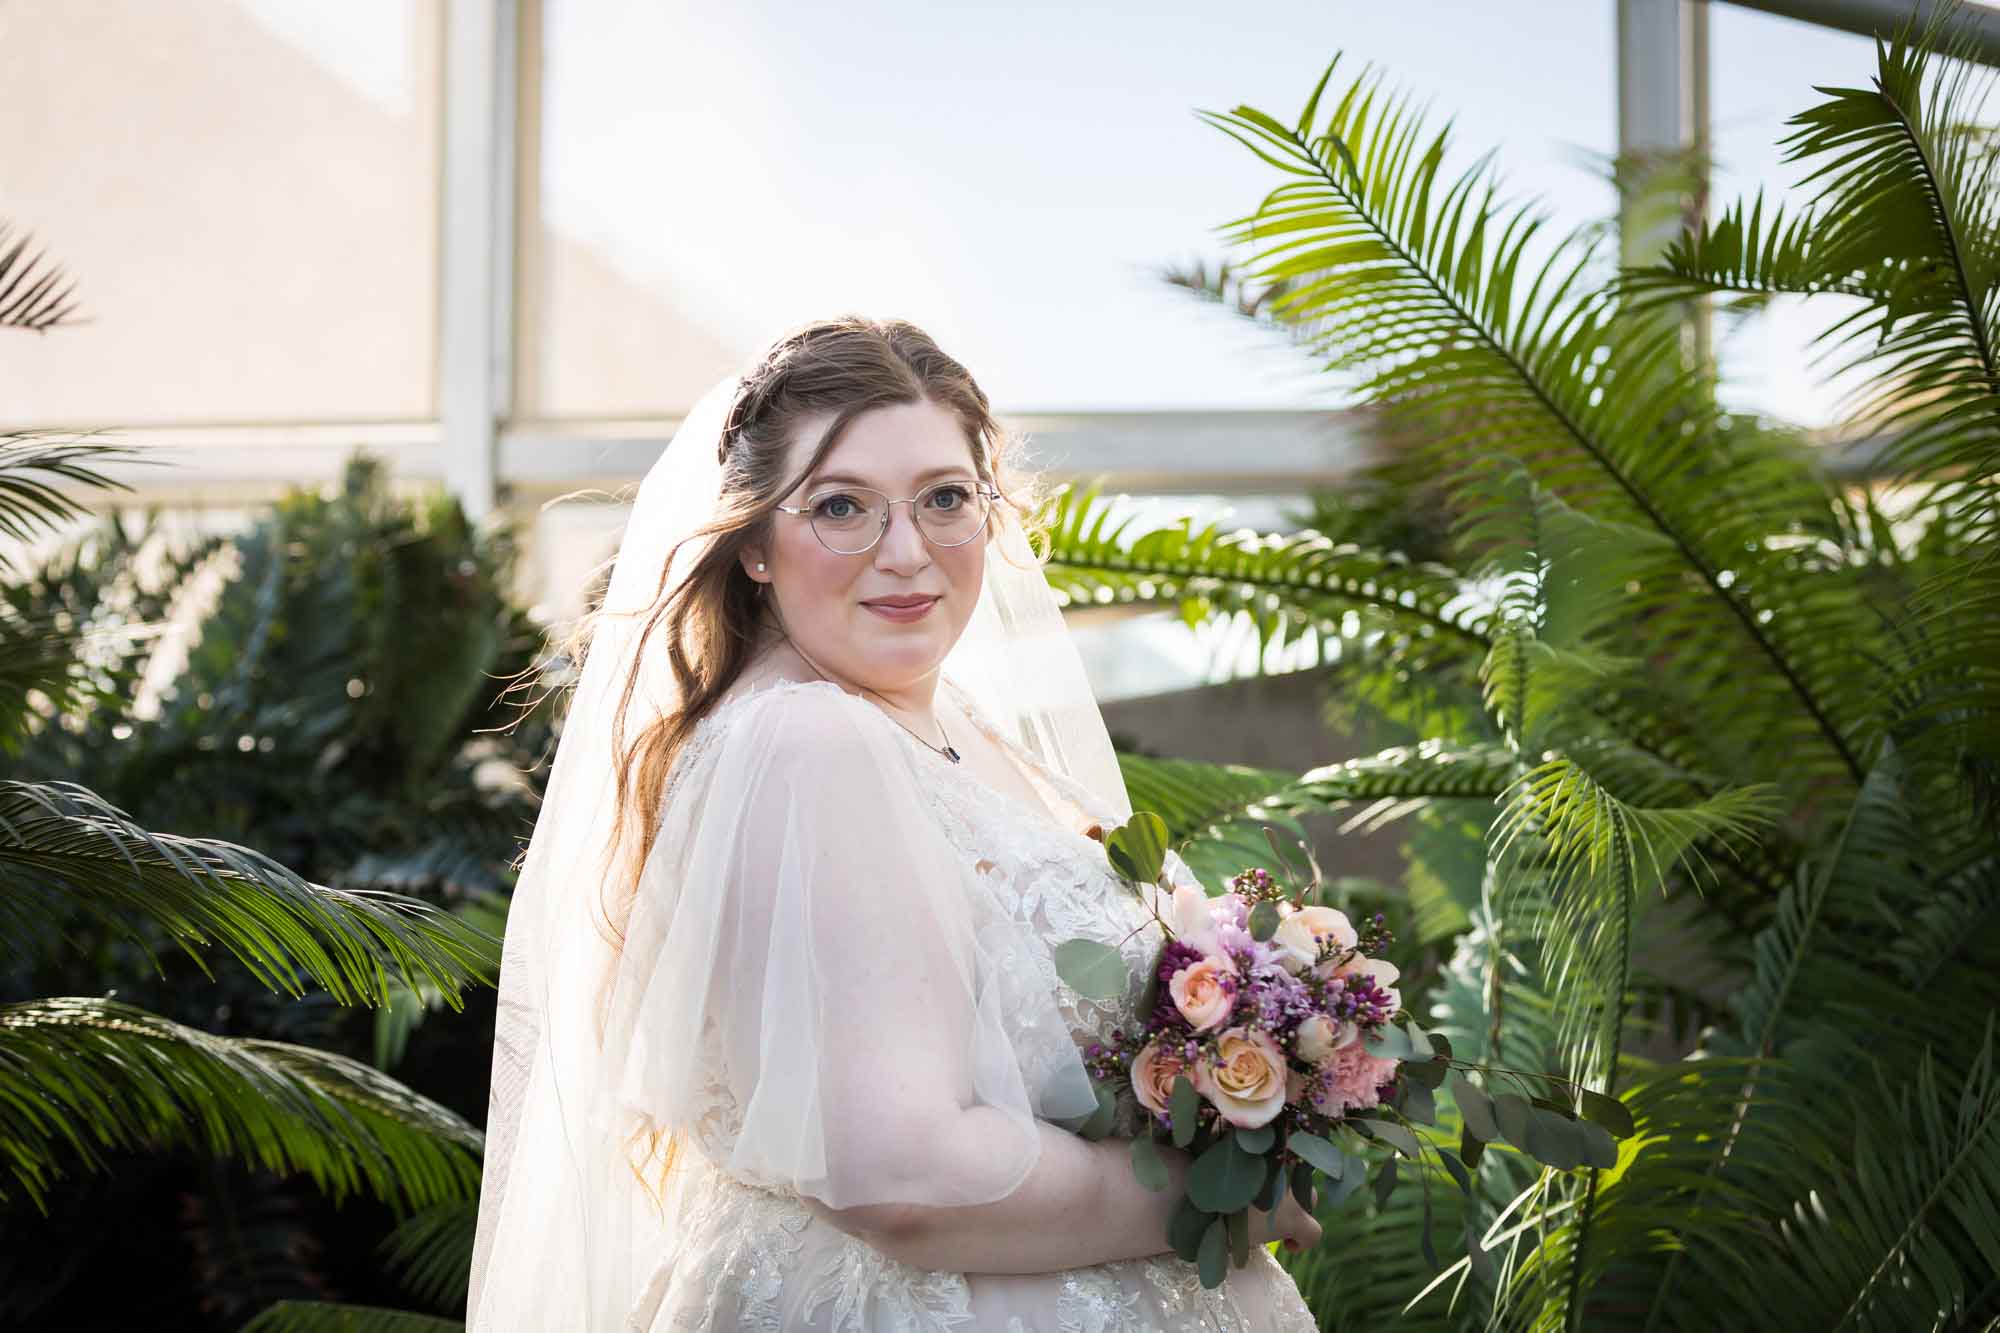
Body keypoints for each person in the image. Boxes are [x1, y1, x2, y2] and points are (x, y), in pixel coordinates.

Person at [466, 317, 1321, 1329]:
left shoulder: (944, 720)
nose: (906, 554)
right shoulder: (809, 742)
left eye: (944, 499)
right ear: (751, 542)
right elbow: (902, 1175)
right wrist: (1226, 1195)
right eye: (841, 507)